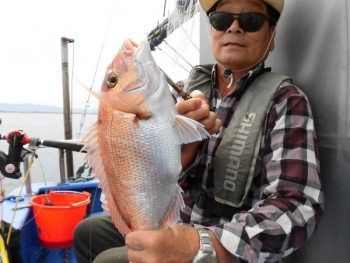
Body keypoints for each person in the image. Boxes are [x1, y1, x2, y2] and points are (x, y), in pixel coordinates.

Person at [73, 0, 324, 262]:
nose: (234, 28)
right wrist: (186, 151)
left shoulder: (285, 101)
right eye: (221, 20)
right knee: (86, 232)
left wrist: (207, 246)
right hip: (172, 219)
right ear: (212, 33)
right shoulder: (179, 92)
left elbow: (298, 205)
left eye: (250, 20)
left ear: (271, 38)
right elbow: (149, 170)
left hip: (224, 242)